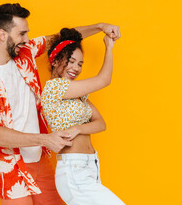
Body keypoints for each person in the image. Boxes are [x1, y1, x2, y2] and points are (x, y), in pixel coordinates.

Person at [0, 3, 120, 205]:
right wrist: (44, 139)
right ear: (2, 34)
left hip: (40, 162)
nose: (27, 39)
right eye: (21, 33)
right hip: (11, 168)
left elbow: (60, 40)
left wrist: (100, 27)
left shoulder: (25, 52)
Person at [41, 28, 125, 205]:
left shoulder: (77, 94)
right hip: (74, 170)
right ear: (55, 61)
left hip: (90, 166)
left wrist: (78, 128)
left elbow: (101, 124)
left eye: (80, 64)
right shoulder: (54, 87)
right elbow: (104, 80)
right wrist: (109, 47)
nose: (76, 68)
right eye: (71, 61)